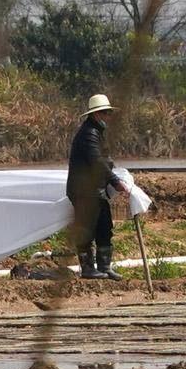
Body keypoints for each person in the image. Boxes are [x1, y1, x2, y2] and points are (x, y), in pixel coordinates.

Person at [66, 93, 117, 278]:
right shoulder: (88, 134)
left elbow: (106, 160)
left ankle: (104, 267)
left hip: (96, 190)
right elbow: (97, 162)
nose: (108, 116)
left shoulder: (97, 132)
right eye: (106, 112)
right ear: (97, 115)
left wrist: (114, 174)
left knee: (105, 227)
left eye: (109, 112)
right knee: (86, 230)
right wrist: (115, 180)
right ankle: (88, 269)